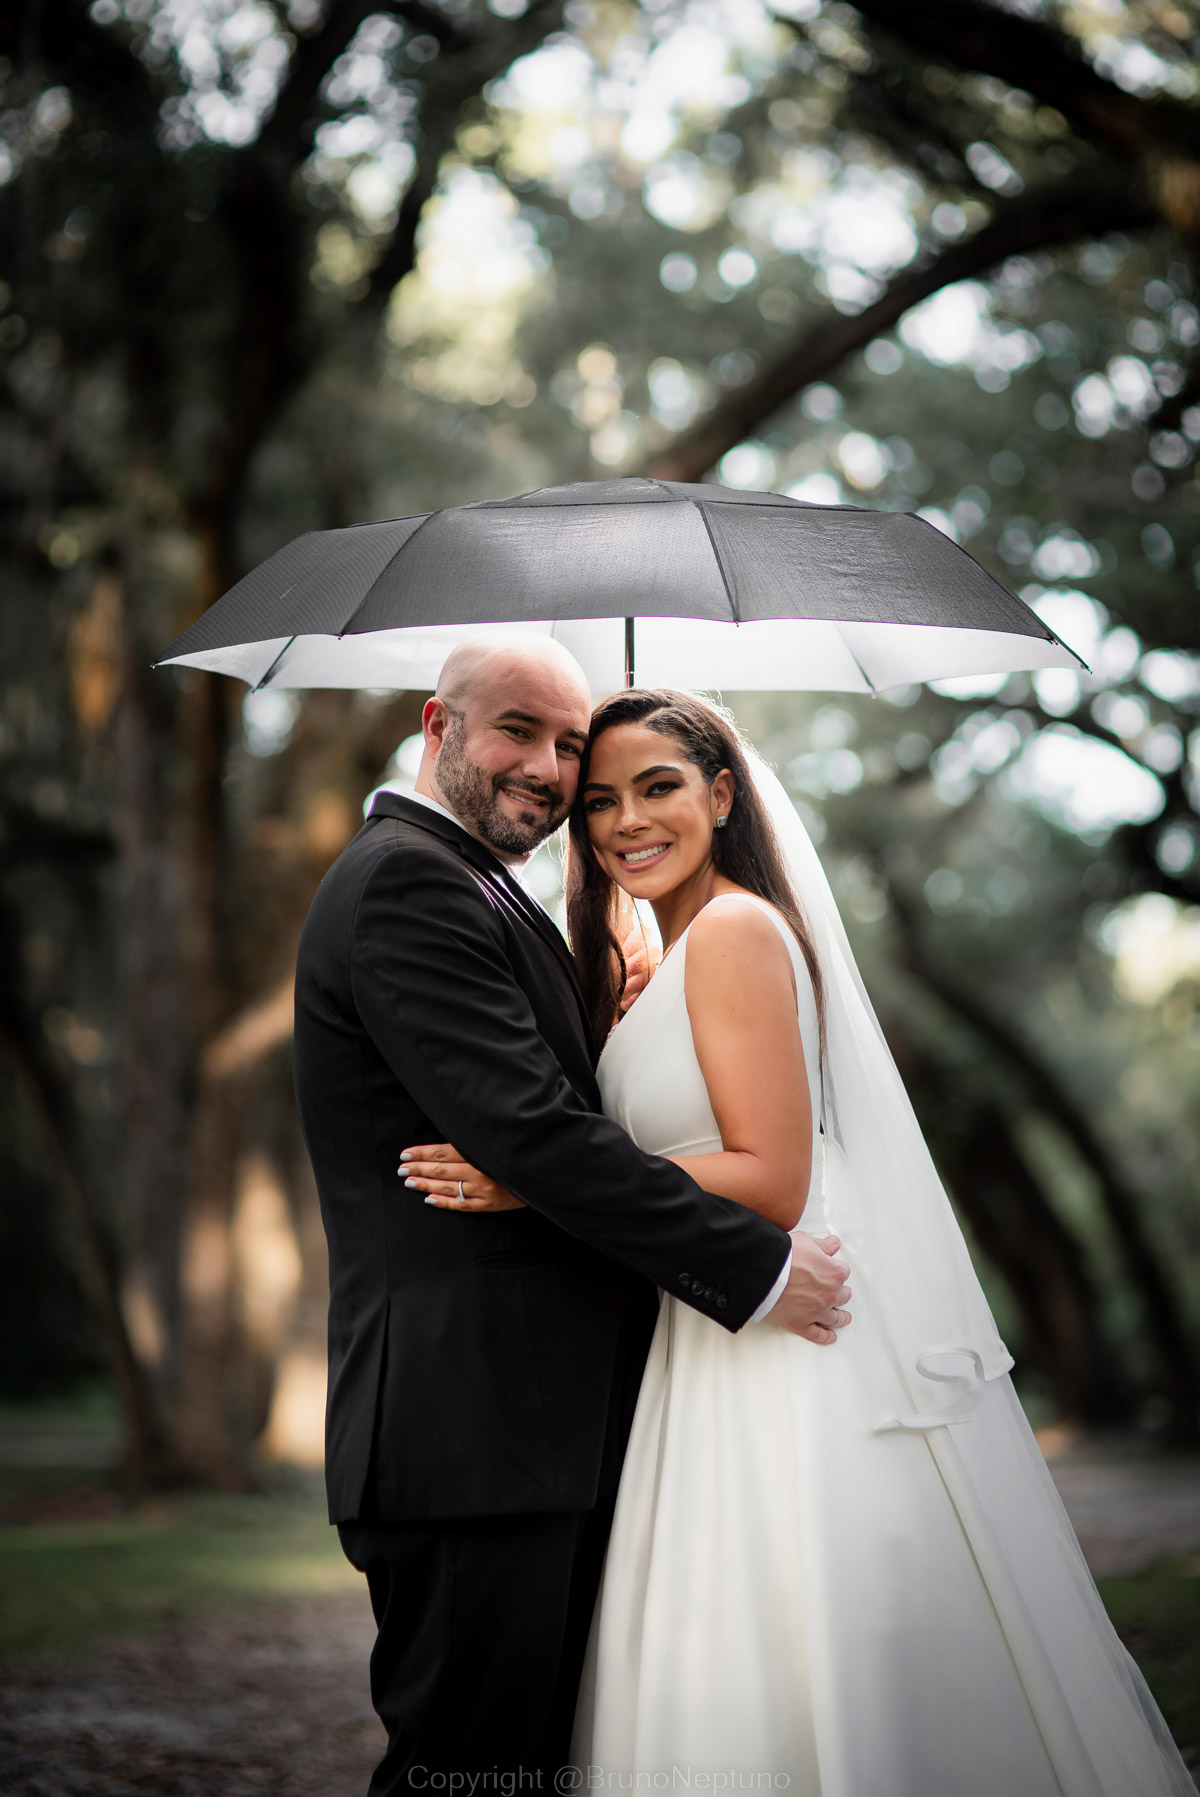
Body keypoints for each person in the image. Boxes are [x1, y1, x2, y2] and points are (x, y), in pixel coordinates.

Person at [410, 687, 1194, 1796]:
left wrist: (538, 1185)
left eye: (659, 787)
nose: (626, 820)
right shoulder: (679, 950)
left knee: (785, 1640)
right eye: (599, 802)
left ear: (723, 795)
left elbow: (770, 1180)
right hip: (712, 1328)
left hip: (776, 1344)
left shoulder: (731, 930)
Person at [291, 640, 852, 1795]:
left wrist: (627, 1013)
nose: (548, 771)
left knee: (531, 1766)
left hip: (534, 1432)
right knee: (471, 1770)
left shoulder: (484, 886)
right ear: (437, 725)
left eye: (567, 746)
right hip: (474, 1430)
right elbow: (533, 1134)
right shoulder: (409, 880)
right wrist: (751, 1268)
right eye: (519, 733)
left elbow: (548, 1118)